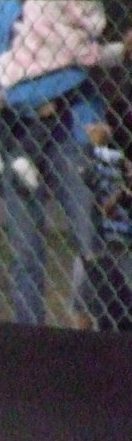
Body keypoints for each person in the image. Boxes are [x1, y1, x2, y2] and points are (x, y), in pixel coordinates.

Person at [0, 0, 132, 326]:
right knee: (26, 248)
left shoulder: (79, 12)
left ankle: (105, 329)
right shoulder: (12, 5)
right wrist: (24, 98)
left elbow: (81, 69)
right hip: (16, 130)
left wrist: (120, 53)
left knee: (92, 238)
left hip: (63, 135)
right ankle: (31, 335)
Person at [80, 122, 132, 331]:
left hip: (124, 241)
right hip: (99, 240)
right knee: (89, 297)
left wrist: (119, 195)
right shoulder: (93, 154)